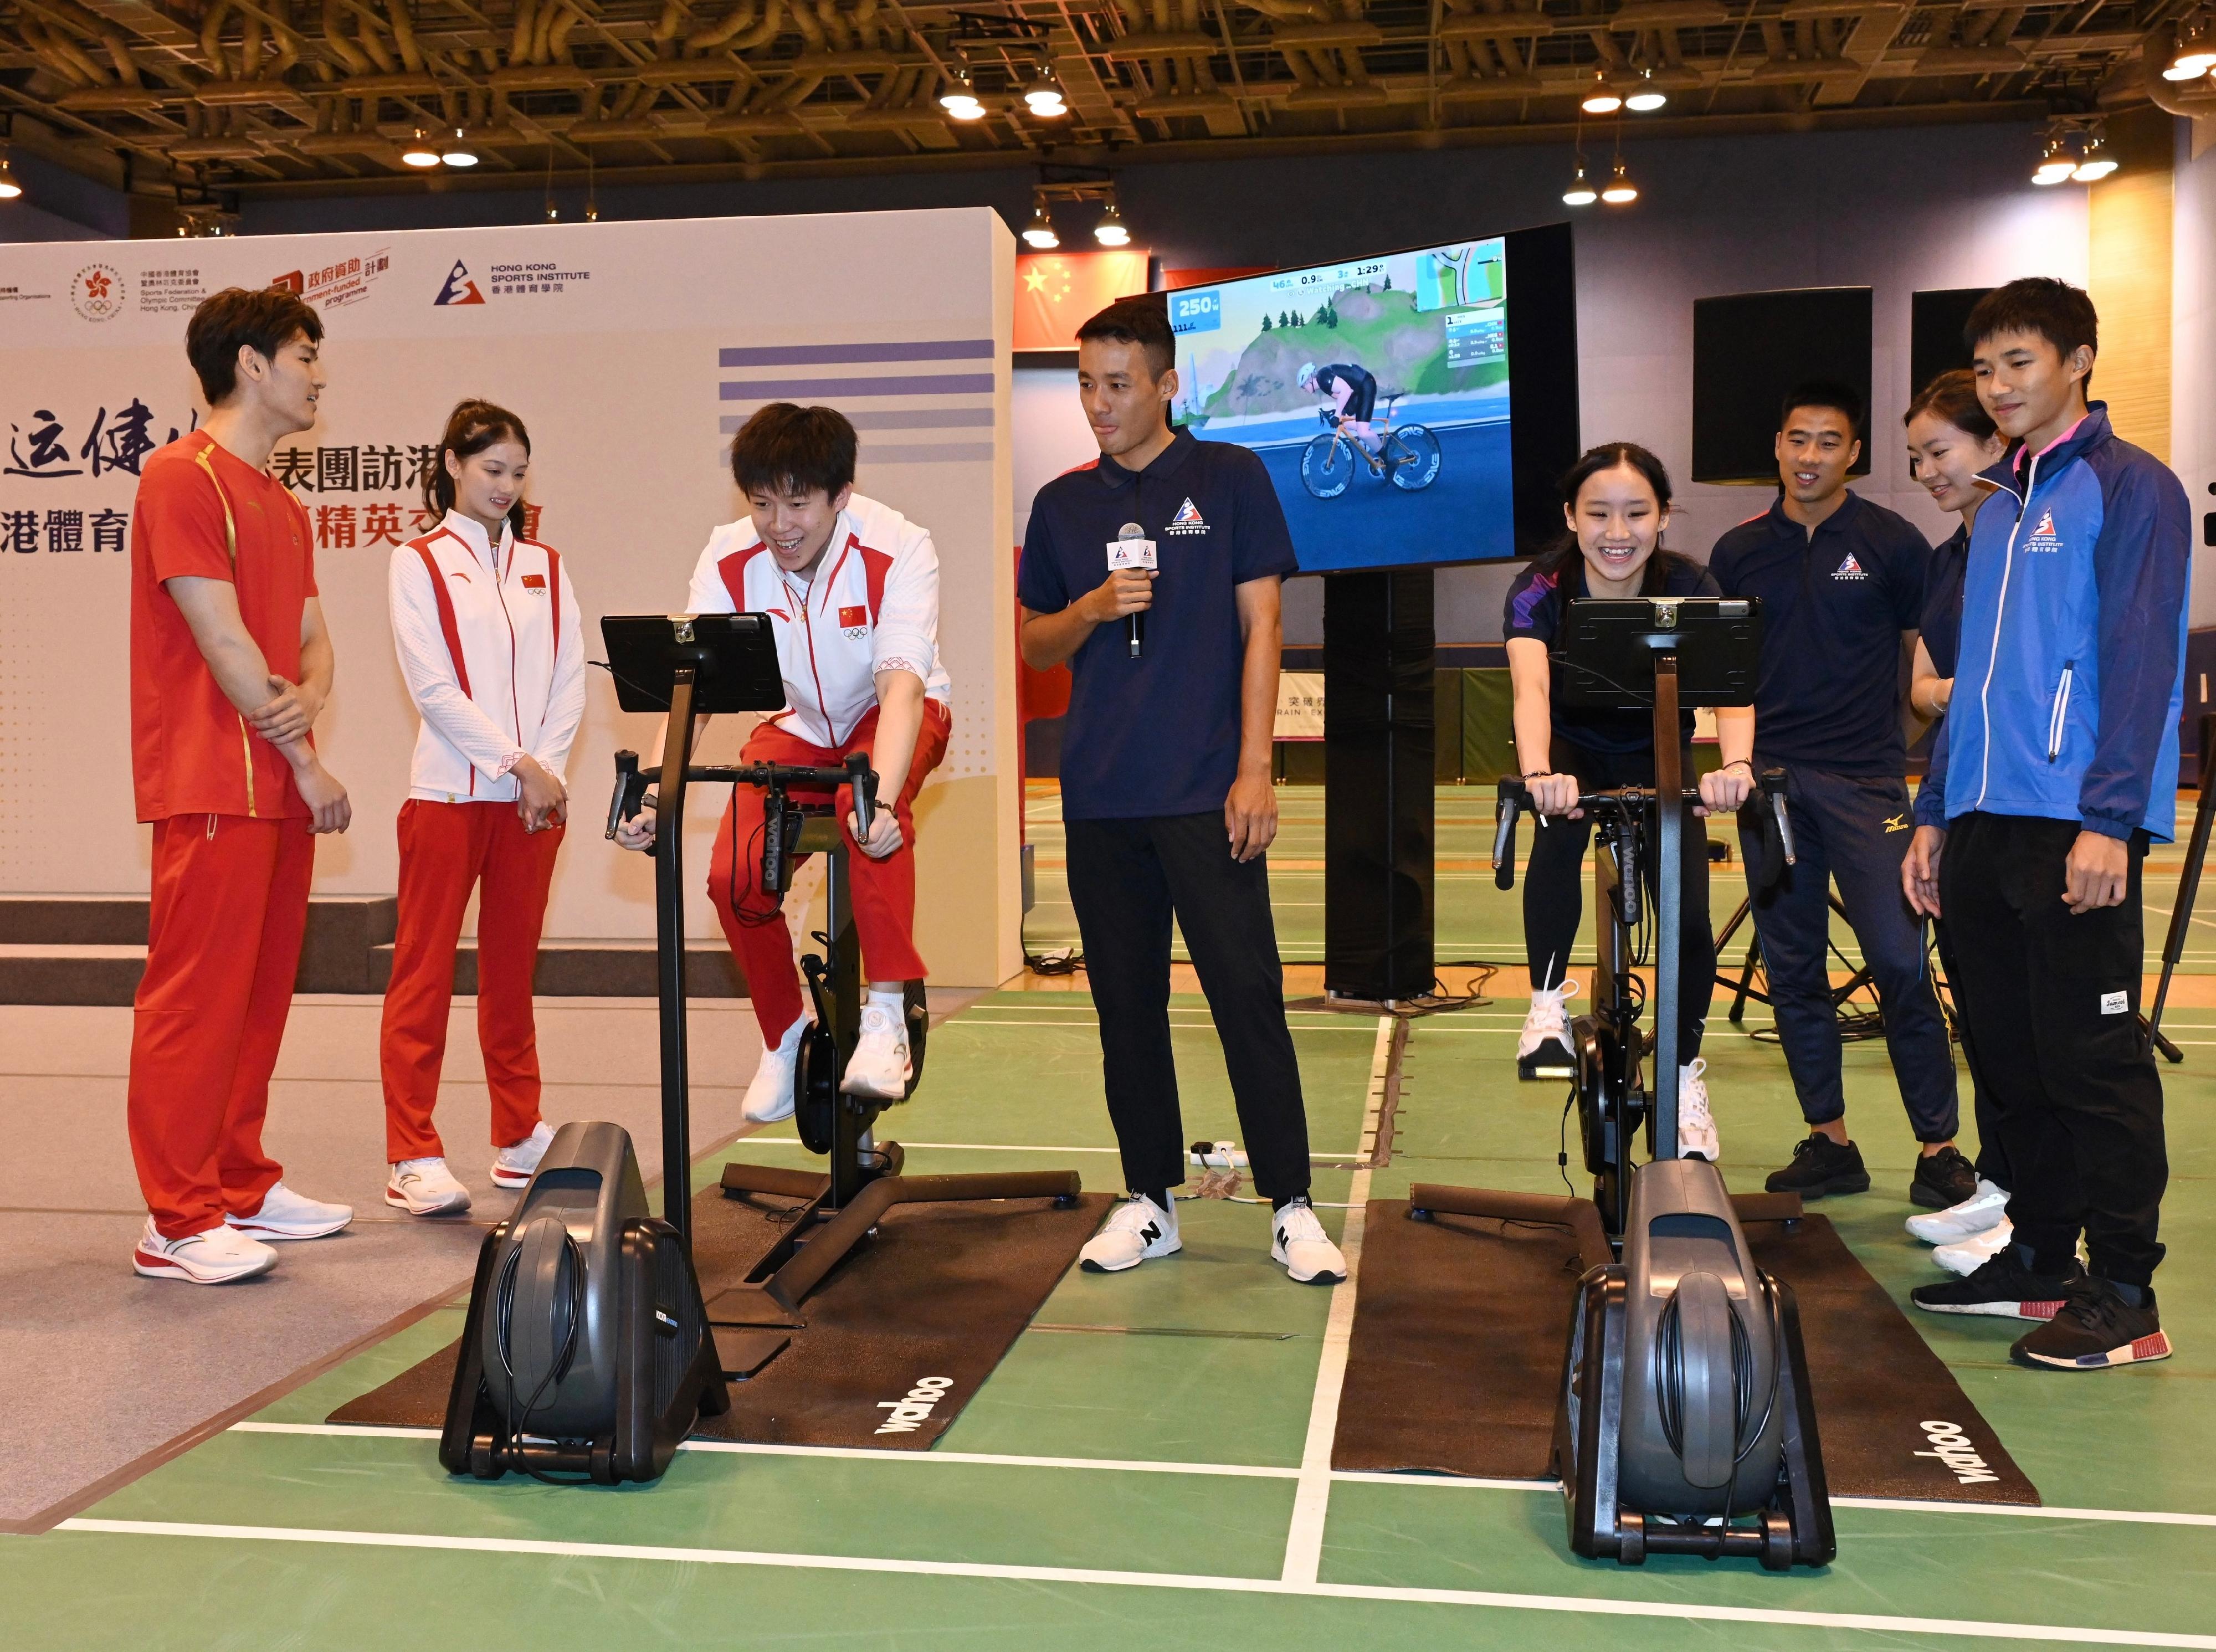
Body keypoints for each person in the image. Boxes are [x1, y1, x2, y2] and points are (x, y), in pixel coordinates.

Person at [1018, 296, 1346, 1287]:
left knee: (1247, 995)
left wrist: (1256, 767)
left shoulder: (1231, 478)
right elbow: (1035, 640)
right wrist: (1087, 608)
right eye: (1084, 384)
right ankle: (1149, 1200)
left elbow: (1263, 627)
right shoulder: (1062, 505)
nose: (1097, 404)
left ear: (1168, 385)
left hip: (1208, 788)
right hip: (1104, 796)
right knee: (1127, 1006)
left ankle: (1290, 1203)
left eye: (1117, 385)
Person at [1903, 278, 2187, 1370]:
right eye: (1984, 368)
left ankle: (2124, 1293)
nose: (1997, 385)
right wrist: (1933, 814)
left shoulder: (2130, 489)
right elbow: (1971, 680)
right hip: (1980, 821)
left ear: (2076, 360)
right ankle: (2038, 1257)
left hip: (2073, 820)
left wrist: (2109, 821)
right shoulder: (1996, 507)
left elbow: (2137, 662)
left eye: (2017, 362)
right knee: (2012, 1060)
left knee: (2090, 1064)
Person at [615, 403, 950, 1114]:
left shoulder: (900, 547)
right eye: (763, 504)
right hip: (796, 724)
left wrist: (880, 799)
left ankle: (887, 1014)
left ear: (841, 497)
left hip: (887, 714)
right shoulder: (728, 555)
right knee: (731, 875)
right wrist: (653, 791)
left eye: (798, 504)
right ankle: (785, 1035)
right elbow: (692, 688)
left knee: (861, 811)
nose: (779, 525)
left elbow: (901, 688)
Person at [126, 286, 355, 1284]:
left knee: (258, 999)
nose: (318, 373)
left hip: (275, 788)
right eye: (305, 354)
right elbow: (224, 643)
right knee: (194, 1001)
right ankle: (175, 1219)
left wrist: (308, 705)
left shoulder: (283, 502)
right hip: (214, 779)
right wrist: (307, 758)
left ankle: (239, 1182)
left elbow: (312, 641)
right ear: (252, 363)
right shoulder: (181, 478)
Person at [1707, 381, 1971, 1208]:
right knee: (1793, 969)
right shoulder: (1737, 551)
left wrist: (1894, 756)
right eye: (1797, 439)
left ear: (1853, 452)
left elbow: (1921, 670)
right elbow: (1726, 676)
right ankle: (1831, 1141)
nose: (1810, 455)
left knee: (1899, 960)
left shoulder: (1895, 543)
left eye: (1828, 441)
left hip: (1867, 785)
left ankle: (1940, 1148)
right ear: (1778, 446)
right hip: (1771, 787)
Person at [1506, 444, 1755, 1160]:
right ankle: (1548, 1003)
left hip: (1658, 745)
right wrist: (1539, 774)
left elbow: (1733, 686)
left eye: (1637, 513)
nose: (1619, 531)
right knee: (1556, 834)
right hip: (1572, 747)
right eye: (1599, 513)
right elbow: (1529, 690)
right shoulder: (1538, 588)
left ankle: (1682, 1070)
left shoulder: (1690, 581)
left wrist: (1734, 766)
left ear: (1664, 515)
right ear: (1571, 517)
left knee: (1685, 897)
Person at [379, 401, 584, 1217]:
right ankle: (412, 1151)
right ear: (455, 466)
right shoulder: (418, 562)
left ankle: (517, 1132)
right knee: (422, 974)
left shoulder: (546, 565)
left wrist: (549, 773)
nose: (506, 485)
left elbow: (569, 677)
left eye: (518, 473)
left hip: (532, 804)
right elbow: (432, 688)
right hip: (448, 796)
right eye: (492, 469)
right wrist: (516, 762)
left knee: (511, 972)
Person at [1899, 371, 2018, 1274]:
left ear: (1992, 444)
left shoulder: (2031, 543)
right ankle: (1999, 1188)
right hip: (1960, 800)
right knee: (1979, 1017)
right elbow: (1942, 704)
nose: (1927, 472)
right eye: (1916, 459)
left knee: (2032, 1031)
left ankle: (2031, 1215)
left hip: (2028, 812)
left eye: (1940, 452)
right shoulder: (1947, 562)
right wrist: (1930, 817)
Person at [1296, 360, 1383, 462]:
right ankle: (1372, 439)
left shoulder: (1323, 378)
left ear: (1309, 380)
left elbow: (1345, 390)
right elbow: (1343, 398)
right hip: (1358, 389)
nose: (1304, 390)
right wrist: (1334, 414)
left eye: (1303, 386)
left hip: (1366, 384)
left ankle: (1390, 461)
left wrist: (1337, 416)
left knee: (1362, 432)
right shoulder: (1323, 383)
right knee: (1344, 421)